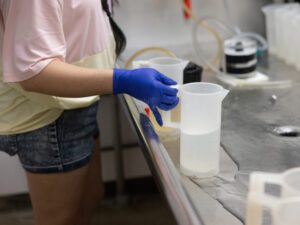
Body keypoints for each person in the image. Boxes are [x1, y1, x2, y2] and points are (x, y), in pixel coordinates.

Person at [0, 1, 179, 225]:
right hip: (49, 114)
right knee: (61, 219)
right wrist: (122, 80)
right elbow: (34, 72)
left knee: (91, 196)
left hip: (75, 100)